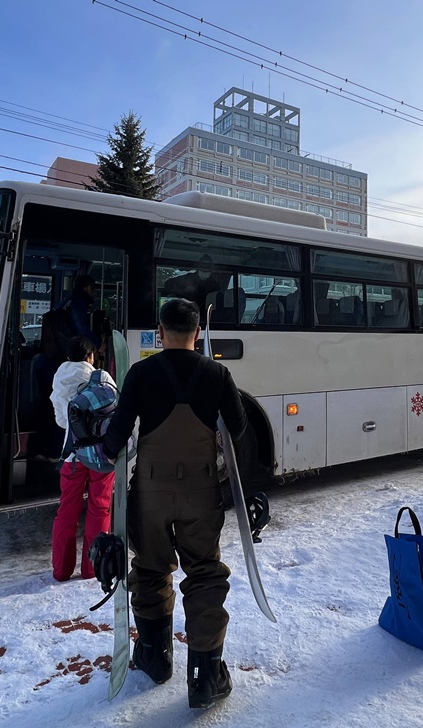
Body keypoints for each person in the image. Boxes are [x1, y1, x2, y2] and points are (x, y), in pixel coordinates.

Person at [101, 297, 247, 709]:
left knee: (149, 569)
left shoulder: (141, 374)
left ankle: (155, 656)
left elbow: (115, 440)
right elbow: (238, 429)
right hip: (201, 495)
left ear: (160, 333)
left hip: (148, 495)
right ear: (198, 333)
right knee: (203, 575)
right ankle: (204, 678)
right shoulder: (218, 374)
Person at [49, 336, 117, 582]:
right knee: (99, 507)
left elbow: (60, 419)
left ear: (68, 356)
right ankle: (92, 568)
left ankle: (61, 570)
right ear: (91, 356)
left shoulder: (59, 378)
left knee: (66, 509)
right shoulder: (101, 377)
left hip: (72, 456)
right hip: (100, 457)